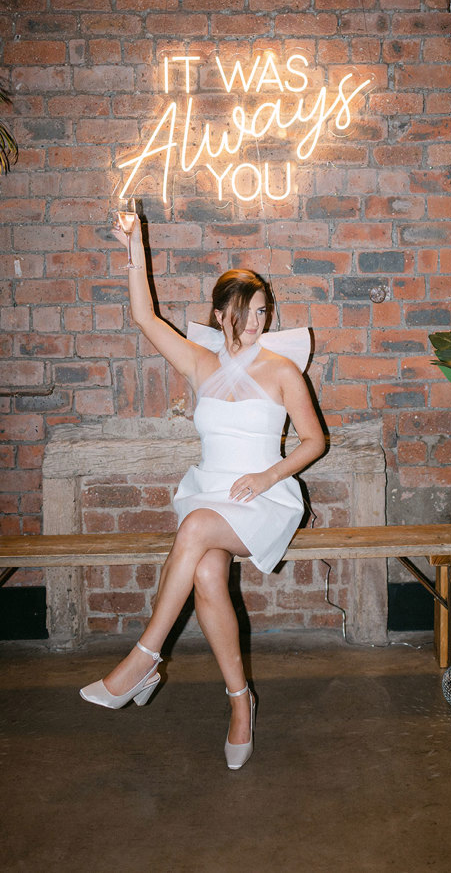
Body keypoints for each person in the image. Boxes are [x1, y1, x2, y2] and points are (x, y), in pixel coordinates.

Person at [80, 211, 326, 770]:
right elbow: (144, 316)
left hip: (265, 498)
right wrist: (136, 245)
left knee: (193, 530)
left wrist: (269, 476)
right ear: (222, 314)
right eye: (249, 312)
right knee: (208, 573)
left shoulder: (283, 369)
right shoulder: (200, 363)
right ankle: (241, 703)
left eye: (265, 311)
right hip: (211, 492)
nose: (259, 321)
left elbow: (314, 441)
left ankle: (144, 658)